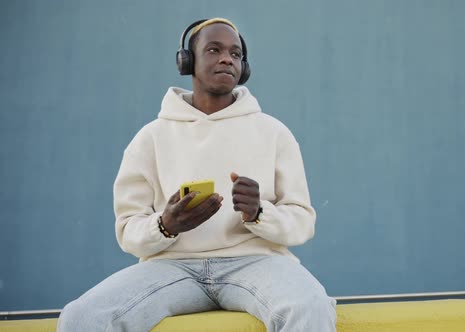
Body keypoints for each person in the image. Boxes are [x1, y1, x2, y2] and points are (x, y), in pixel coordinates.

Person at [57, 17, 336, 331]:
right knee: (81, 317)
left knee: (309, 305)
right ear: (186, 62)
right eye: (214, 50)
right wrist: (165, 225)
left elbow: (302, 221)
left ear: (244, 68)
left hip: (258, 261)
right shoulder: (150, 138)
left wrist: (260, 213)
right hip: (170, 266)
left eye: (236, 54)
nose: (227, 58)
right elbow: (128, 230)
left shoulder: (274, 133)